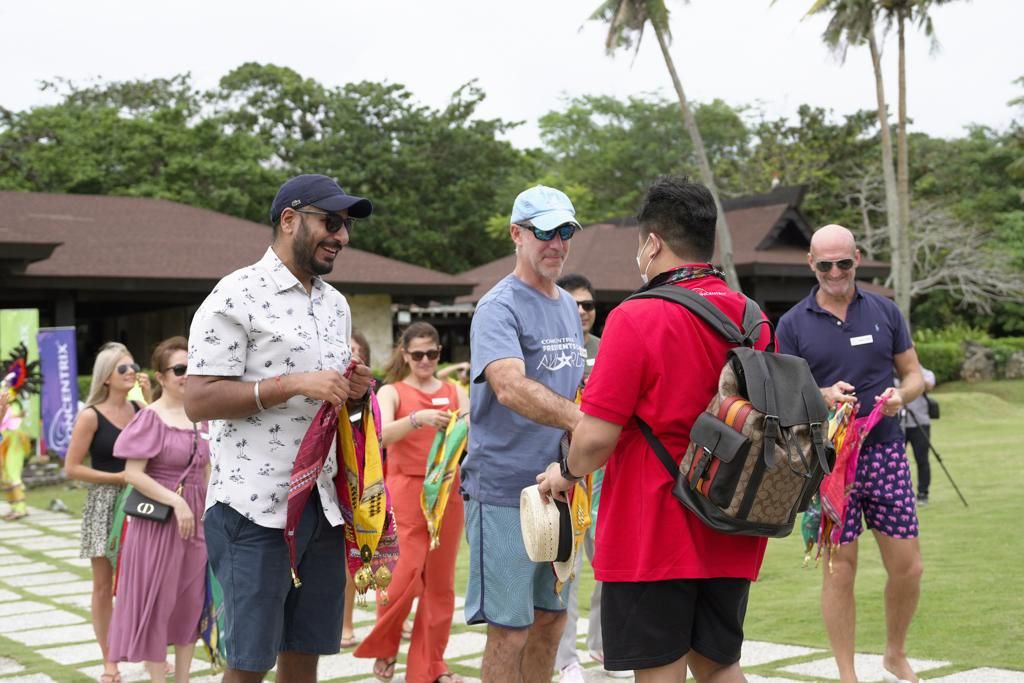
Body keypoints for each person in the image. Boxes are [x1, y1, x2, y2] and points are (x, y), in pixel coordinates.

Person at [538, 176, 772, 683]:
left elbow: (597, 437)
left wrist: (566, 472)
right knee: (718, 666)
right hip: (731, 522)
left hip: (655, 527)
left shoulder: (635, 317)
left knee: (658, 669)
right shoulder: (752, 317)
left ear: (653, 243)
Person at [185, 174, 374, 683]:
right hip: (253, 510)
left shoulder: (335, 305)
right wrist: (292, 383)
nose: (342, 236)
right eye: (331, 222)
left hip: (322, 506)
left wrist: (354, 393)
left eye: (347, 226)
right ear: (289, 219)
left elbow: (332, 403)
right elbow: (197, 400)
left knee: (304, 657)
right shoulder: (236, 293)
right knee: (249, 665)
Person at [775, 224, 925, 683]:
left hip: (885, 453)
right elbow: (784, 397)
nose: (835, 272)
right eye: (825, 264)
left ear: (857, 258)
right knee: (841, 568)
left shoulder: (884, 310)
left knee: (909, 566)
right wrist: (821, 394)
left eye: (843, 262)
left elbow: (914, 373)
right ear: (811, 263)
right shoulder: (793, 324)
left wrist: (903, 396)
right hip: (829, 461)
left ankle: (894, 653)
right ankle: (847, 673)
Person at [461, 185, 585, 683]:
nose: (556, 243)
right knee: (509, 630)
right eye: (545, 232)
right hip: (505, 491)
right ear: (517, 234)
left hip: (560, 487)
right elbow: (509, 386)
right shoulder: (498, 306)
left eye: (566, 231)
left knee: (552, 623)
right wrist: (580, 421)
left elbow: (572, 389)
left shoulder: (566, 308)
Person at [355, 322, 469, 683]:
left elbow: (471, 429)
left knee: (440, 585)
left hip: (447, 493)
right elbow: (379, 435)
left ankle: (431, 666)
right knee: (400, 578)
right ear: (405, 354)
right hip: (404, 493)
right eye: (417, 354)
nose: (425, 360)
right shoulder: (392, 391)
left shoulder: (454, 390)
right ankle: (385, 647)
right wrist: (417, 420)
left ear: (439, 354)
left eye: (431, 354)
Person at [108, 336, 210, 682]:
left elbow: (208, 472)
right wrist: (177, 501)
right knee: (157, 602)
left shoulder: (204, 419)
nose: (187, 375)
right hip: (158, 522)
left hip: (196, 523)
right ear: (161, 376)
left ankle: (181, 678)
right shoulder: (150, 418)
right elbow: (133, 474)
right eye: (179, 369)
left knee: (190, 602)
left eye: (193, 368)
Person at [65, 342, 146, 683]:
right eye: (122, 369)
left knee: (142, 581)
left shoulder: (141, 408)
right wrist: (116, 478)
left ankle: (149, 652)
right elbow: (71, 468)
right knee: (103, 586)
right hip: (104, 504)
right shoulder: (90, 415)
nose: (131, 373)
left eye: (132, 367)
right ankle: (109, 659)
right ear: (107, 378)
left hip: (140, 502)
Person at [550, 272, 618, 682]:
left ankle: (605, 646)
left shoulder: (609, 348)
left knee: (610, 566)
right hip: (566, 474)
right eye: (573, 304)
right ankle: (565, 658)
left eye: (588, 305)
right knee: (566, 570)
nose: (581, 311)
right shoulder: (550, 351)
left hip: (607, 477)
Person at [903, 367, 937, 506]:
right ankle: (900, 494)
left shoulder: (925, 373)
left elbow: (929, 386)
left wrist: (913, 374)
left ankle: (923, 493)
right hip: (899, 424)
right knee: (896, 461)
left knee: (922, 460)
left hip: (920, 423)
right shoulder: (890, 372)